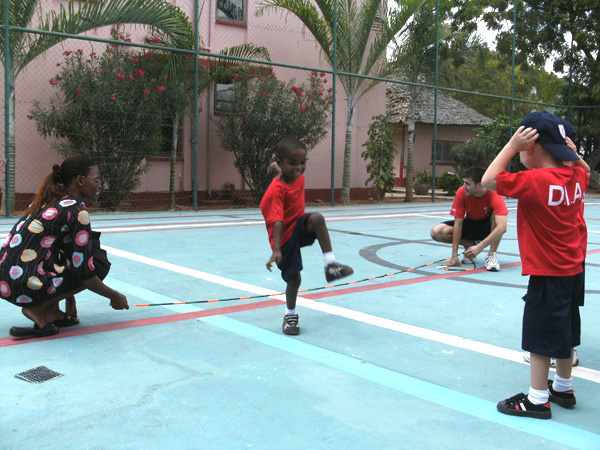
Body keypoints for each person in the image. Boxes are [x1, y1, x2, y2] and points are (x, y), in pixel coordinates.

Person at [481, 111, 589, 420]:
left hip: (547, 271)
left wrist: (510, 146)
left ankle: (538, 399)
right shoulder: (576, 176)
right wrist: (575, 157)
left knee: (540, 335)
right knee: (566, 330)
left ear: (531, 147)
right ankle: (563, 388)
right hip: (573, 269)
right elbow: (586, 170)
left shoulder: (534, 181)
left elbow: (489, 180)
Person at [2, 155, 129, 338]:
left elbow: (62, 251)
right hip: (24, 282)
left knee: (81, 250)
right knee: (98, 261)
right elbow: (84, 272)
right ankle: (38, 309)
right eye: (97, 180)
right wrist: (114, 296)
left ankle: (51, 309)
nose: (100, 185)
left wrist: (68, 296)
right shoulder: (77, 211)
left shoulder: (48, 201)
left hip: (8, 279)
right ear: (79, 180)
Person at [260, 136, 354, 335]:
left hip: (298, 226)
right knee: (294, 279)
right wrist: (276, 249)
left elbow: (287, 174)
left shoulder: (296, 176)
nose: (298, 168)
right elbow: (277, 220)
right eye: (292, 163)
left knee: (317, 219)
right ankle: (290, 315)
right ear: (282, 162)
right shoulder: (276, 190)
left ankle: (331, 265)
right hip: (283, 237)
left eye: (302, 163)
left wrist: (277, 168)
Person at [430, 166, 508, 271]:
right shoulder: (461, 192)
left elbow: (502, 227)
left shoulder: (494, 193)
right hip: (471, 224)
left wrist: (480, 247)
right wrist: (454, 256)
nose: (464, 186)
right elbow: (458, 224)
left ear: (480, 185)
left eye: (467, 184)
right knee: (437, 232)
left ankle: (491, 255)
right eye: (464, 182)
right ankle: (471, 245)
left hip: (487, 227)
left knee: (497, 216)